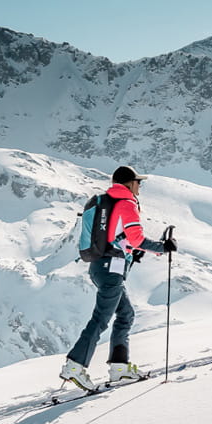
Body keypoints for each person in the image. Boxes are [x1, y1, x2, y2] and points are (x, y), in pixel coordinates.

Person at [60, 166, 178, 390]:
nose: (139, 186)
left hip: (100, 267)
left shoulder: (109, 201)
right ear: (129, 184)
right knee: (101, 318)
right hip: (111, 269)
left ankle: (119, 368)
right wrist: (162, 247)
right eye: (137, 182)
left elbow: (121, 238)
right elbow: (136, 238)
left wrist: (132, 252)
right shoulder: (126, 203)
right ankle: (75, 365)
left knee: (126, 314)